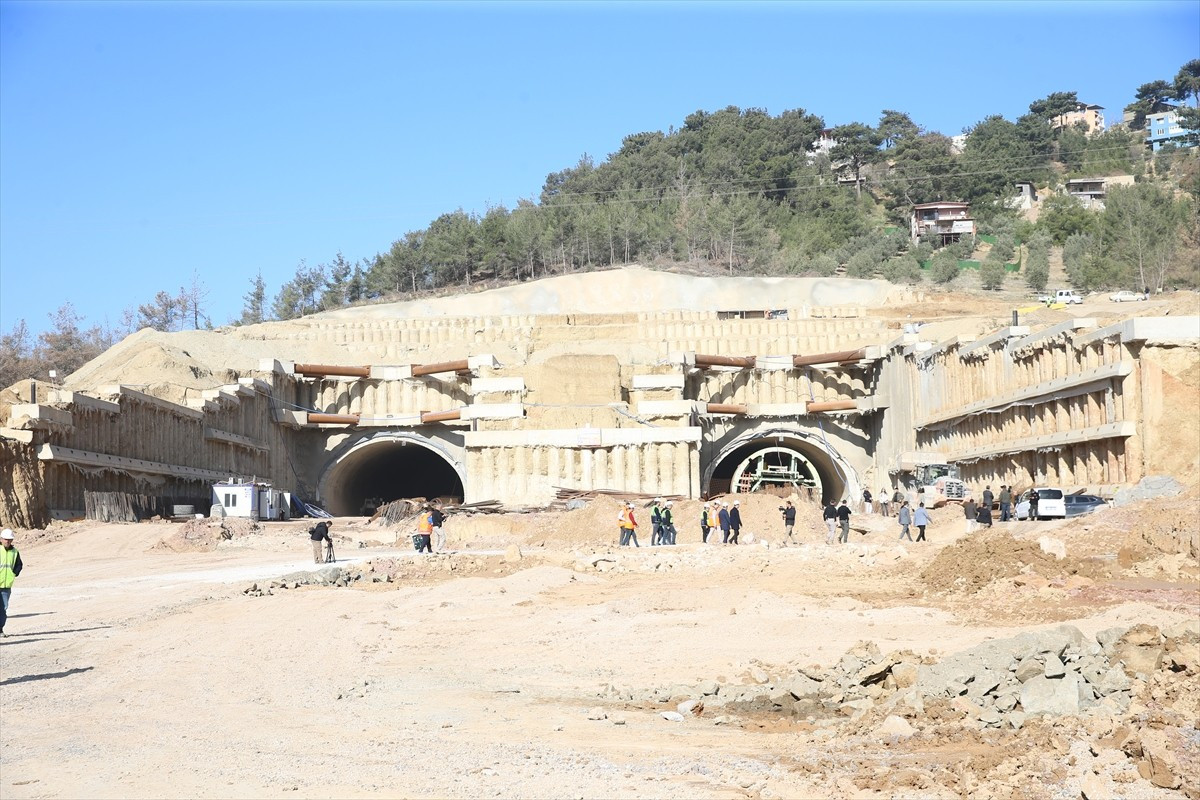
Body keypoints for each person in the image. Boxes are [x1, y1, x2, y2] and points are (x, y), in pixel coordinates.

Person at [0, 529, 24, 637]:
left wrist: (14, 573)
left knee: (3, 608)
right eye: (6, 539)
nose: (8, 541)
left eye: (10, 540)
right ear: (1, 539)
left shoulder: (15, 552)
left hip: (6, 586)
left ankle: (0, 629)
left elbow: (19, 565)